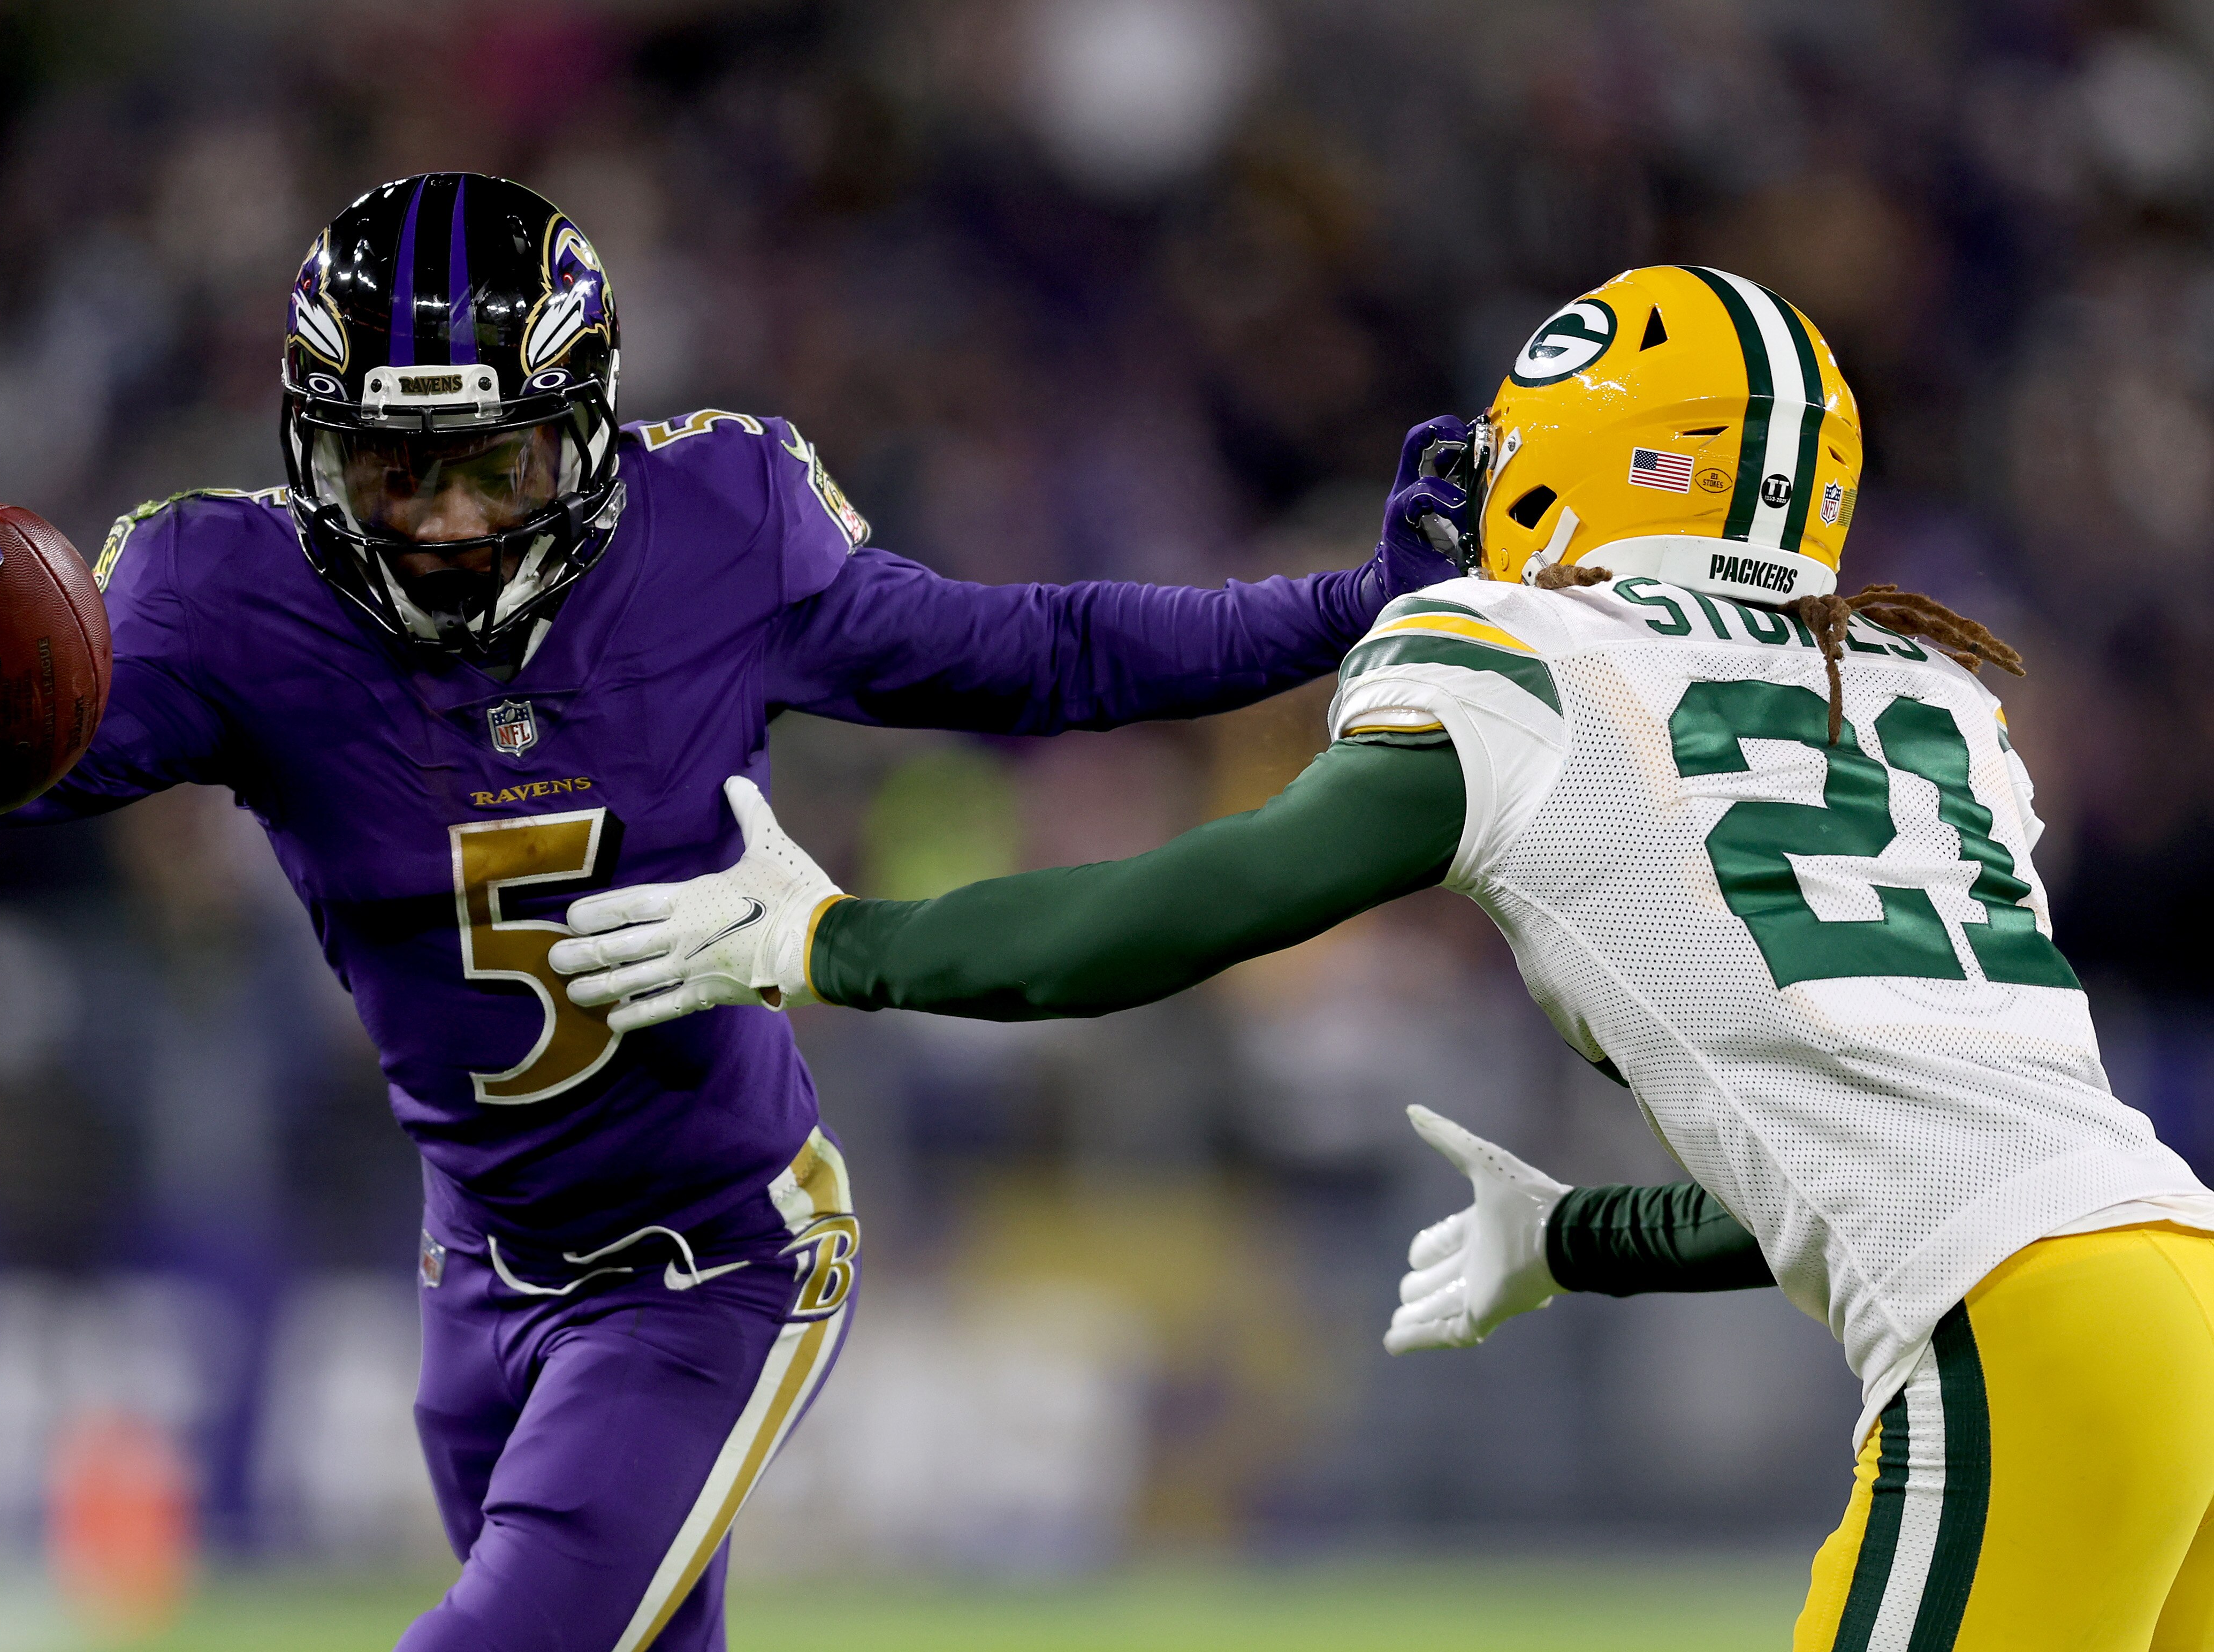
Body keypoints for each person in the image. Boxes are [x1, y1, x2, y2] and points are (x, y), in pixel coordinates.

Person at [0, 172, 1451, 1652]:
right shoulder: (223, 594)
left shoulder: (719, 529)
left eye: (493, 463)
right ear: (312, 450)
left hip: (713, 1256)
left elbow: (1046, 654)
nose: (451, 525)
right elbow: (8, 774)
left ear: (587, 429)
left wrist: (1349, 607)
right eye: (397, 474)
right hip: (475, 1271)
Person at [556, 264, 2214, 1648]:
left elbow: (1180, 908)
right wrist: (1582, 1237)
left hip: (2023, 1343)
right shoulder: (1928, 703)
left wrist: (834, 942)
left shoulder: (1522, 656)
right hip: (2176, 1282)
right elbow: (1895, 1163)